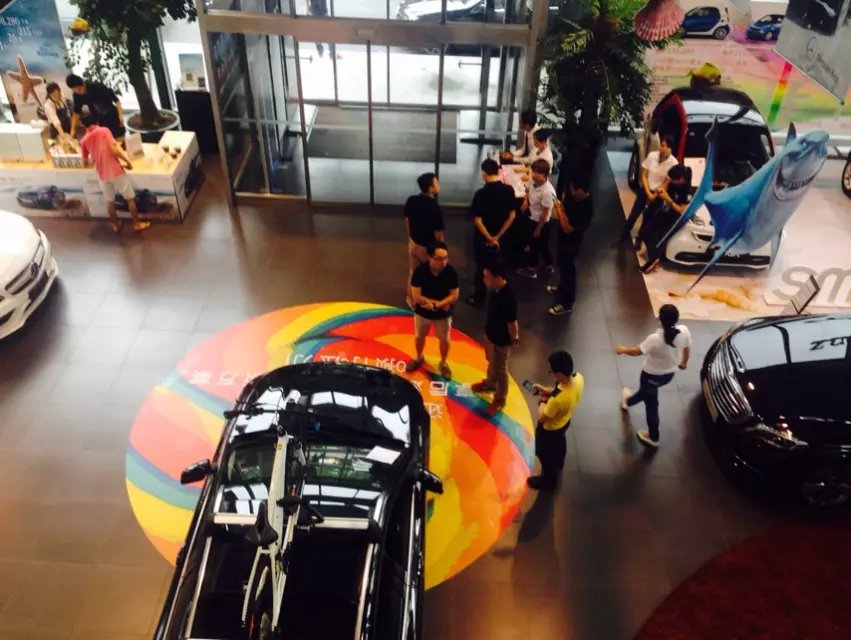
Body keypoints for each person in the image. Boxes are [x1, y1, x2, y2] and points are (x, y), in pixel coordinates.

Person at [616, 304, 691, 448]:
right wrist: (684, 363)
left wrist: (623, 350)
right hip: (668, 375)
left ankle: (653, 437)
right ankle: (628, 402)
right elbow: (687, 349)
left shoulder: (655, 339)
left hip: (650, 376)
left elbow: (637, 351)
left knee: (651, 404)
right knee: (646, 393)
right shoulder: (684, 331)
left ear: (660, 319)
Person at [79, 113, 150, 233]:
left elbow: (85, 163)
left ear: (83, 125)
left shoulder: (84, 140)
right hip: (115, 171)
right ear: (96, 121)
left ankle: (115, 225)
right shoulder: (104, 130)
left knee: (110, 201)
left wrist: (96, 158)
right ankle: (137, 224)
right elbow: (114, 150)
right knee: (130, 198)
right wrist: (127, 161)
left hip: (102, 175)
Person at [526, 350, 585, 490]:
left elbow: (542, 417)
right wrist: (545, 390)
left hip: (550, 429)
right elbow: (558, 389)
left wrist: (542, 401)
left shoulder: (557, 401)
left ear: (559, 374)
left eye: (551, 371)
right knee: (559, 445)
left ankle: (549, 480)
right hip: (564, 421)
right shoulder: (578, 378)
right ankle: (559, 462)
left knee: (544, 453)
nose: (550, 373)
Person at [466, 159, 517, 306]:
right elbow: (512, 216)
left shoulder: (480, 194)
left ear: (484, 174)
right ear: (498, 172)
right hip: (503, 238)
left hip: (483, 239)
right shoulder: (509, 190)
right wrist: (498, 236)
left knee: (481, 268)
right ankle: (499, 296)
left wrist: (489, 238)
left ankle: (479, 298)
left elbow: (478, 220)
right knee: (500, 267)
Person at [472, 261, 519, 415]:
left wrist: (514, 337)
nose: (484, 279)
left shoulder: (509, 297)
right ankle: (490, 383)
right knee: (492, 362)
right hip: (490, 334)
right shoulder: (494, 290)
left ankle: (500, 398)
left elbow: (512, 322)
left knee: (501, 369)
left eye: (487, 276)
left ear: (498, 278)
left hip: (501, 340)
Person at [614, 134, 678, 247]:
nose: (663, 149)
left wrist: (655, 195)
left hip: (659, 194)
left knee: (648, 218)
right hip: (646, 189)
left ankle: (639, 239)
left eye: (666, 147)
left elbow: (666, 183)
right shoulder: (652, 156)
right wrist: (648, 192)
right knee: (634, 214)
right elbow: (644, 175)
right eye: (662, 145)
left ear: (671, 149)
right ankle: (623, 237)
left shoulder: (674, 163)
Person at [406, 242, 459, 378]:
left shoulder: (451, 272)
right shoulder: (420, 272)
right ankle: (419, 358)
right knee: (419, 337)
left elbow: (454, 296)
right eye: (439, 259)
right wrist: (442, 303)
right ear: (430, 257)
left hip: (443, 316)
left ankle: (443, 363)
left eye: (445, 258)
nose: (443, 262)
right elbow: (417, 297)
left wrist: (435, 305)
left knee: (444, 340)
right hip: (422, 313)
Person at [547, 175, 593, 315]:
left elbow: (567, 227)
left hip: (572, 243)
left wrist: (560, 212)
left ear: (581, 190)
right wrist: (562, 211)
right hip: (563, 239)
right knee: (561, 264)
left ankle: (567, 304)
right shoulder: (573, 197)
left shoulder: (586, 208)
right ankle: (561, 288)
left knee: (568, 269)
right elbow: (564, 208)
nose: (571, 191)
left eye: (574, 189)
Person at [638, 164, 692, 274]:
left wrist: (668, 199)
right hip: (664, 212)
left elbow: (682, 211)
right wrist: (662, 188)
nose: (671, 180)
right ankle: (655, 257)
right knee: (645, 232)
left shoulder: (686, 190)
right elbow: (662, 189)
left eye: (673, 179)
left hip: (675, 218)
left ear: (681, 179)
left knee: (661, 238)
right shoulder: (671, 182)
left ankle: (653, 260)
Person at [404, 173, 445, 308]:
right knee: (432, 273)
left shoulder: (411, 200)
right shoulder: (434, 207)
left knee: (413, 272)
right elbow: (438, 233)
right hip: (428, 247)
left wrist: (410, 237)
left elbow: (407, 220)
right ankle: (428, 301)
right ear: (430, 188)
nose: (438, 184)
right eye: (436, 182)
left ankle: (411, 299)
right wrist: (441, 248)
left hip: (414, 243)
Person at [516, 159, 556, 279]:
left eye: (537, 172)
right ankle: (549, 264)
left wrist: (538, 229)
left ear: (545, 175)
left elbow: (545, 213)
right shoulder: (533, 181)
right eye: (533, 171)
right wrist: (526, 200)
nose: (533, 174)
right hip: (531, 216)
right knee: (543, 244)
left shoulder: (548, 191)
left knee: (535, 246)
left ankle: (532, 270)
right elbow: (528, 191)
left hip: (541, 223)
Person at [66, 74, 125, 141]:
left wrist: (120, 115)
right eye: (75, 91)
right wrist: (72, 130)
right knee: (107, 141)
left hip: (112, 116)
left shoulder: (97, 87)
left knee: (119, 140)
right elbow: (76, 112)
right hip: (100, 120)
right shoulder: (77, 95)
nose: (80, 93)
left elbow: (116, 100)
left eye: (79, 89)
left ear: (83, 83)